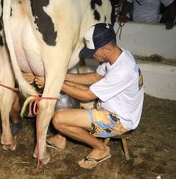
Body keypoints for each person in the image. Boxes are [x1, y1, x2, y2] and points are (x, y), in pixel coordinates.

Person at [35, 23, 144, 169]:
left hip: (119, 119)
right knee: (71, 91)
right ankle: (61, 138)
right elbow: (94, 77)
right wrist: (60, 76)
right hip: (111, 105)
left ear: (107, 48)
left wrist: (53, 82)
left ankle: (101, 149)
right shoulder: (117, 55)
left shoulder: (122, 70)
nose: (92, 55)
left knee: (58, 119)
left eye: (93, 51)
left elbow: (87, 95)